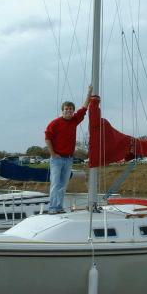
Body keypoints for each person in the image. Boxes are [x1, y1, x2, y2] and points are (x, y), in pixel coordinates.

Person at [45, 85, 93, 214]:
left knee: (63, 185)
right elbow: (47, 138)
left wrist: (89, 92)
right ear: (62, 110)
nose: (69, 111)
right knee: (55, 184)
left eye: (71, 109)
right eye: (66, 109)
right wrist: (53, 154)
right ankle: (52, 208)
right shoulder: (55, 123)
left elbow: (84, 108)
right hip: (57, 159)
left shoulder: (74, 121)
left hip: (68, 159)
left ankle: (59, 207)